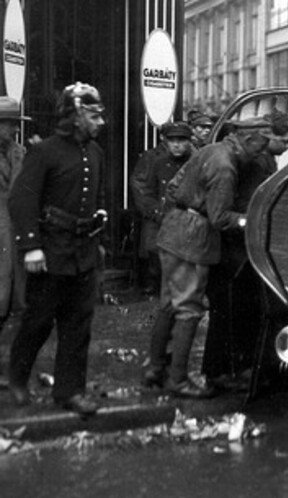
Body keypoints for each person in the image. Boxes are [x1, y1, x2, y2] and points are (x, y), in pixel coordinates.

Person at [145, 117, 274, 398]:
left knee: (168, 304)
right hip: (194, 238)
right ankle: (178, 380)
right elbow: (219, 218)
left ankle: (155, 369)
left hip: (173, 230)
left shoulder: (208, 150)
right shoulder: (226, 167)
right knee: (189, 309)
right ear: (249, 139)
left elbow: (172, 188)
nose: (262, 152)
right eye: (261, 145)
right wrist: (252, 221)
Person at [7, 83, 108, 415]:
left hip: (83, 253)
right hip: (50, 252)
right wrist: (31, 247)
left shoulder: (95, 153)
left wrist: (100, 216)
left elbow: (96, 195)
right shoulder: (45, 152)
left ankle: (69, 393)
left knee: (78, 325)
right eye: (94, 115)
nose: (100, 123)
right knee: (38, 322)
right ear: (76, 115)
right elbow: (21, 199)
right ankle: (18, 378)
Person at [202, 111, 288, 389]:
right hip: (236, 251)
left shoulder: (261, 159)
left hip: (237, 248)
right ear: (268, 137)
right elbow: (252, 203)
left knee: (234, 312)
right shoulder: (258, 162)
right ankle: (224, 372)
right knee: (231, 312)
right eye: (285, 139)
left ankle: (229, 369)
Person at [129, 122, 195, 296]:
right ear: (165, 141)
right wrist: (156, 211)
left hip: (187, 218)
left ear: (189, 141)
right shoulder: (157, 162)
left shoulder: (196, 162)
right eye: (172, 140)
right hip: (161, 216)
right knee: (155, 252)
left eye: (182, 140)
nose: (177, 144)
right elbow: (145, 189)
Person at [0, 97, 29, 389]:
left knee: (19, 304)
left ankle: (14, 370)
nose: (13, 130)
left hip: (16, 237)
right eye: (8, 125)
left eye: (14, 125)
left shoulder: (22, 153)